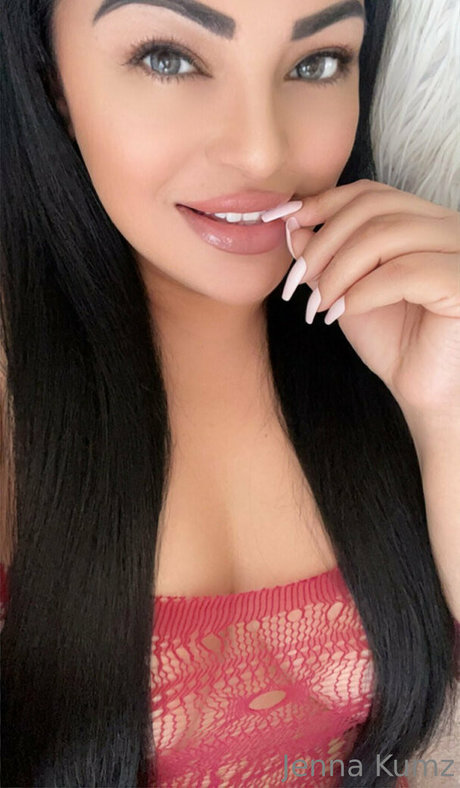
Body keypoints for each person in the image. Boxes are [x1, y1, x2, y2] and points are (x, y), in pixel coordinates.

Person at [1, 0, 459, 785]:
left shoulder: (401, 337)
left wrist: (443, 412)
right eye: (168, 58)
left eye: (316, 63)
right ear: (52, 82)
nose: (260, 151)